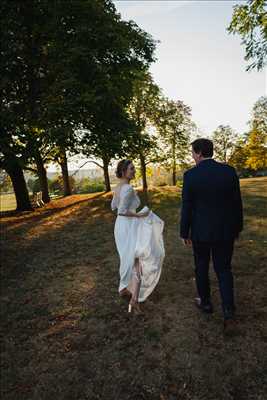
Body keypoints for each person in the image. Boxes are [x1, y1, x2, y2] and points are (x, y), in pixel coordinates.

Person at [180, 138, 243, 333]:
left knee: (201, 267)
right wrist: (237, 228)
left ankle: (206, 303)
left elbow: (187, 207)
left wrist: (184, 232)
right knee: (224, 270)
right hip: (225, 231)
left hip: (201, 232)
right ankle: (228, 312)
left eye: (192, 152)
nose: (192, 156)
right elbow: (237, 203)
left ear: (198, 153)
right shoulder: (229, 171)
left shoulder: (191, 175)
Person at [111, 159, 165, 314]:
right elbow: (121, 210)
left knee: (129, 258)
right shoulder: (127, 188)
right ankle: (133, 300)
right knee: (136, 260)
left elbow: (113, 206)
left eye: (134, 168)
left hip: (120, 226)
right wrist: (140, 214)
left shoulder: (119, 187)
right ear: (123, 172)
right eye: (131, 169)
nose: (134, 171)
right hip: (128, 226)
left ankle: (126, 291)